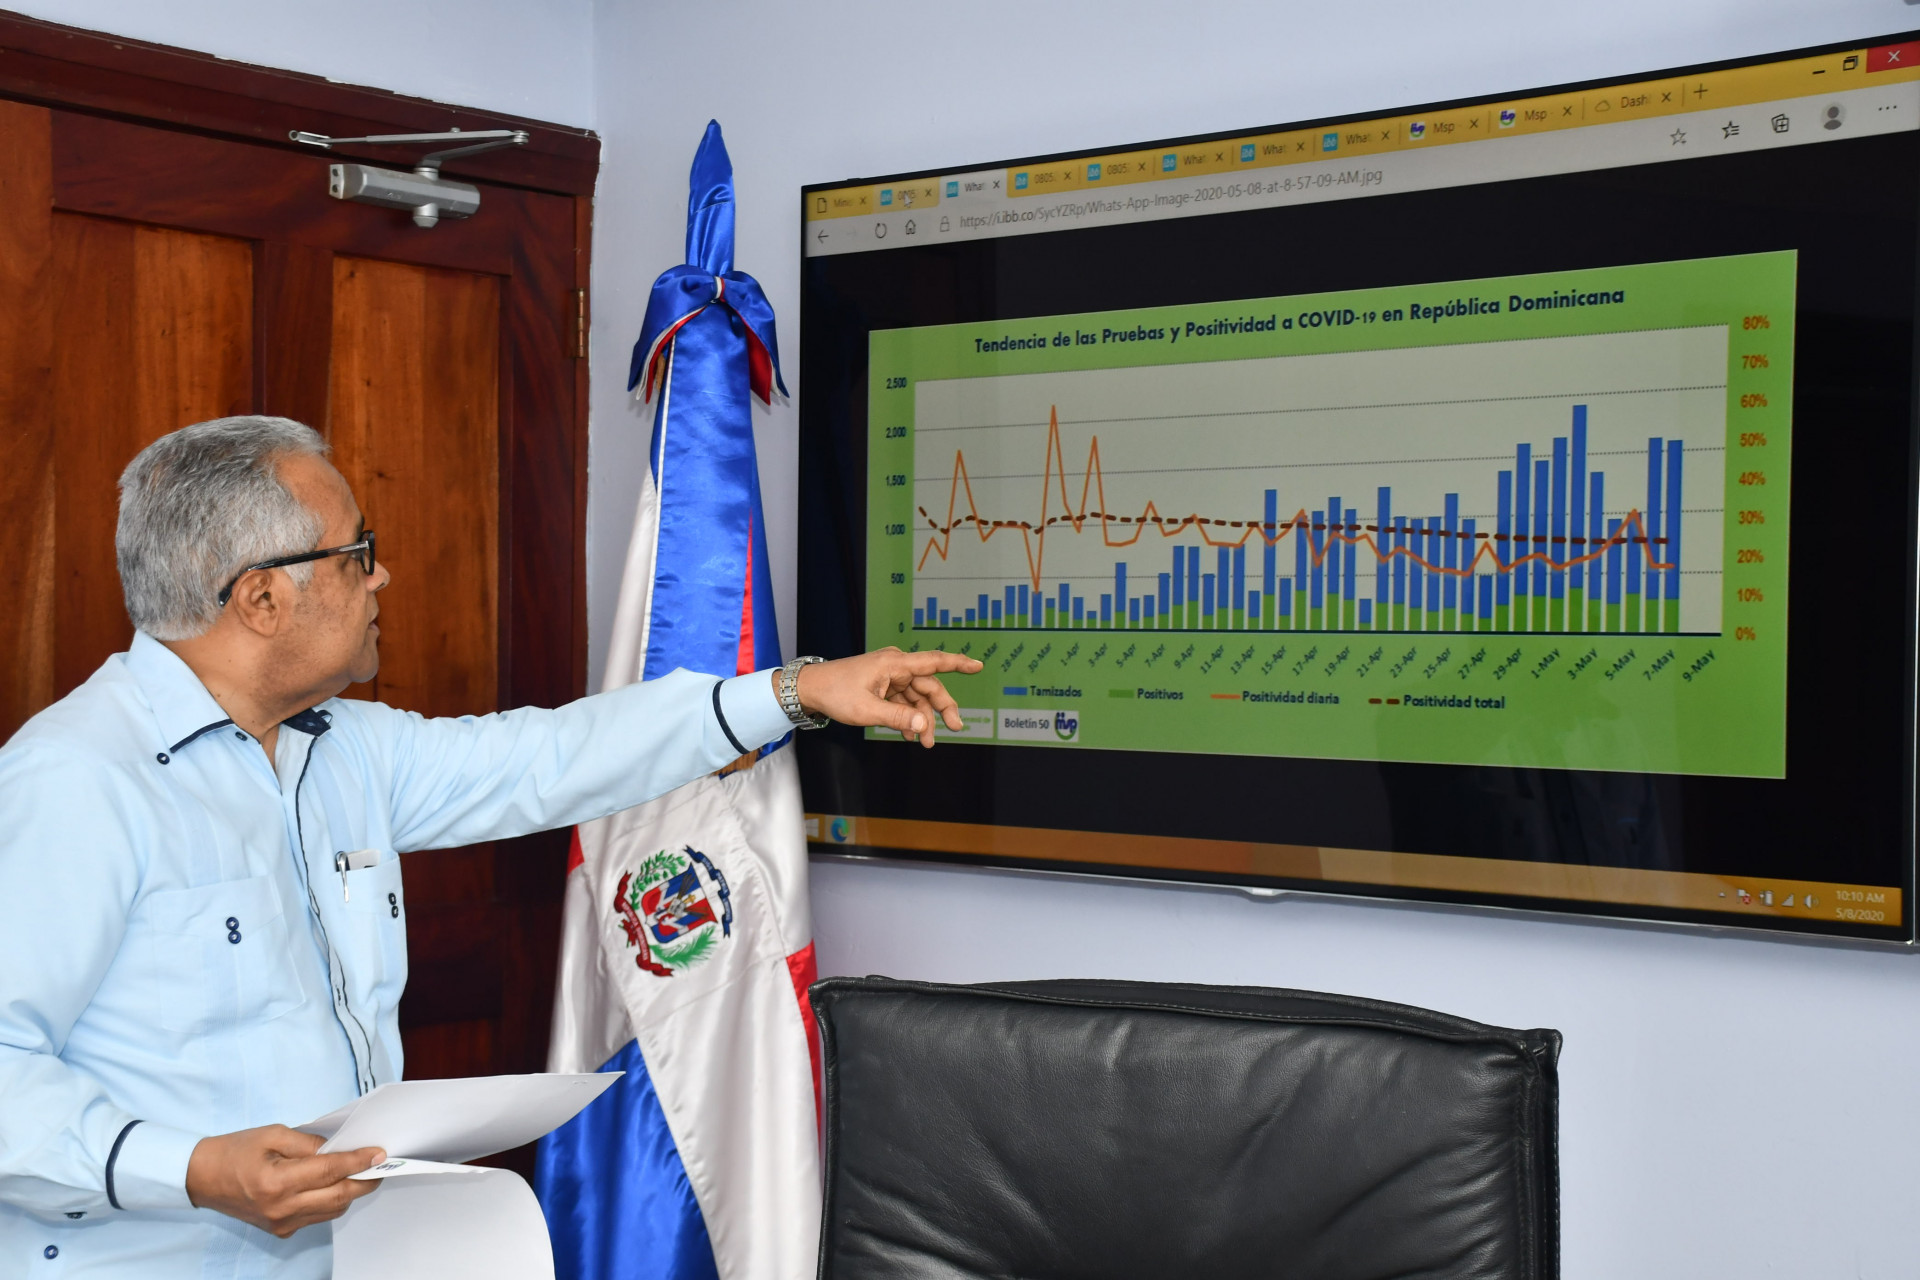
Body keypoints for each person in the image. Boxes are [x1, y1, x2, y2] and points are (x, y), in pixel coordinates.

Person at [0, 416, 980, 1277]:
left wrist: (792, 692)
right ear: (260, 599)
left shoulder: (344, 748)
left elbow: (552, 757)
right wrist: (193, 1168)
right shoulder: (76, 780)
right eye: (357, 553)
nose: (380, 575)